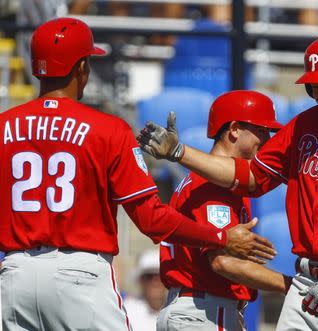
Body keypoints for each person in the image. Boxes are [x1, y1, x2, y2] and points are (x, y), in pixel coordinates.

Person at [0, 17, 275, 331]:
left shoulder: (3, 125)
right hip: (78, 275)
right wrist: (220, 237)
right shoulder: (108, 129)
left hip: (15, 273)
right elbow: (152, 220)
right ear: (81, 67)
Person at [138, 33, 318, 331]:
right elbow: (248, 176)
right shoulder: (305, 125)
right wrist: (181, 153)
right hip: (306, 280)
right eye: (314, 87)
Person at [157, 90, 292, 331]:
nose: (267, 139)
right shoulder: (212, 185)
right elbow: (223, 262)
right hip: (203, 312)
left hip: (197, 310)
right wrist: (290, 285)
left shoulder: (213, 180)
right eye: (262, 130)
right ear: (235, 129)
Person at [124, 249, 166, 331]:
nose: (155, 282)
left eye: (160, 276)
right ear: (140, 280)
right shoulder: (126, 311)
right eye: (149, 276)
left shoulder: (178, 310)